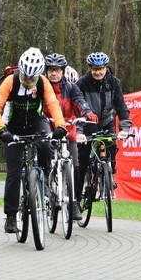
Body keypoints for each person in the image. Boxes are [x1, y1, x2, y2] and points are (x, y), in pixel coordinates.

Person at [0, 47, 67, 233]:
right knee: (14, 172)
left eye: (32, 78)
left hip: (36, 122)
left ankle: (47, 182)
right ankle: (10, 216)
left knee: (46, 145)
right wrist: (1, 129)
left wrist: (61, 125)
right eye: (26, 77)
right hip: (13, 126)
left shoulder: (43, 82)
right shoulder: (10, 81)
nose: (29, 81)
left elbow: (52, 104)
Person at [44, 53, 97, 220]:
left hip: (68, 131)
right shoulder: (42, 87)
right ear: (46, 72)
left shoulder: (71, 87)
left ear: (63, 71)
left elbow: (80, 101)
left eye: (57, 70)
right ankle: (45, 190)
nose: (54, 74)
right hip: (48, 129)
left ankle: (73, 203)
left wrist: (87, 112)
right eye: (51, 70)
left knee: (74, 165)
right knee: (44, 158)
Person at [75, 51, 132, 203]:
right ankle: (76, 199)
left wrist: (125, 129)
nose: (98, 72)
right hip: (88, 124)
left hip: (107, 121)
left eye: (101, 68)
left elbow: (121, 107)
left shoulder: (114, 82)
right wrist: (79, 132)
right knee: (82, 162)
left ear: (106, 68)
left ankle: (109, 175)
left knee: (112, 148)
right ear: (90, 68)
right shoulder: (81, 83)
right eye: (94, 69)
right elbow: (77, 109)